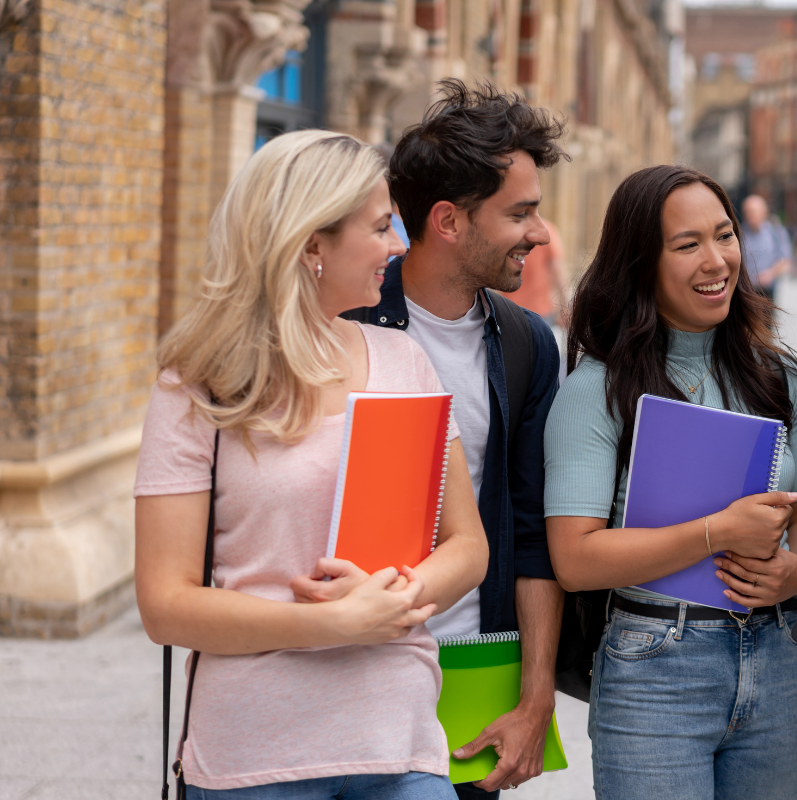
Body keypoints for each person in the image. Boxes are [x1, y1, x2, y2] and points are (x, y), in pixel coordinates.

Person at [135, 130, 490, 797]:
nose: (399, 245)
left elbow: (468, 546)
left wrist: (395, 596)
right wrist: (326, 624)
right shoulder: (199, 385)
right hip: (253, 758)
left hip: (400, 742)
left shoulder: (404, 363)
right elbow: (164, 605)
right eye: (381, 226)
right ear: (310, 245)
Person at [544, 165, 797, 800]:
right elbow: (574, 559)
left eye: (725, 235)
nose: (717, 260)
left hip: (778, 659)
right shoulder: (597, 391)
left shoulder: (779, 380)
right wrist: (716, 532)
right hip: (654, 667)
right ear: (640, 262)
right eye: (687, 245)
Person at [350, 80, 566, 800]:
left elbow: (534, 533)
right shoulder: (341, 326)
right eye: (521, 213)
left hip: (469, 685)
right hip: (341, 670)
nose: (539, 233)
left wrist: (535, 699)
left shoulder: (528, 345)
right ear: (448, 220)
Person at [502, 218, 567, 323]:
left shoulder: (508, 232)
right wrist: (565, 306)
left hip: (511, 309)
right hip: (540, 310)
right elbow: (558, 273)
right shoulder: (547, 231)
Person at [740, 194, 792, 302]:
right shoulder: (739, 233)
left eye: (753, 211)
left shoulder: (776, 232)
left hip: (766, 291)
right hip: (745, 291)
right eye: (747, 211)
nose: (750, 215)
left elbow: (786, 261)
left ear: (764, 212)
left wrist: (770, 274)